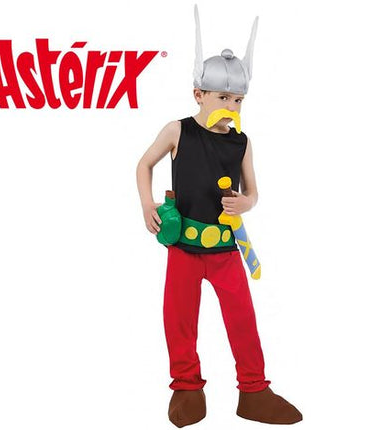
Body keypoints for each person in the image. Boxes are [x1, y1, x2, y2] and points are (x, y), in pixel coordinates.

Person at [136, 5, 302, 428]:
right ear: (199, 94)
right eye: (223, 97)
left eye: (238, 100)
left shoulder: (242, 142)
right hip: (183, 246)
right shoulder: (177, 130)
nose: (231, 106)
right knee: (178, 320)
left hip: (227, 248)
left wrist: (246, 203)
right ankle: (186, 387)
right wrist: (147, 204)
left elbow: (253, 192)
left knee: (242, 320)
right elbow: (144, 164)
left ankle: (254, 391)